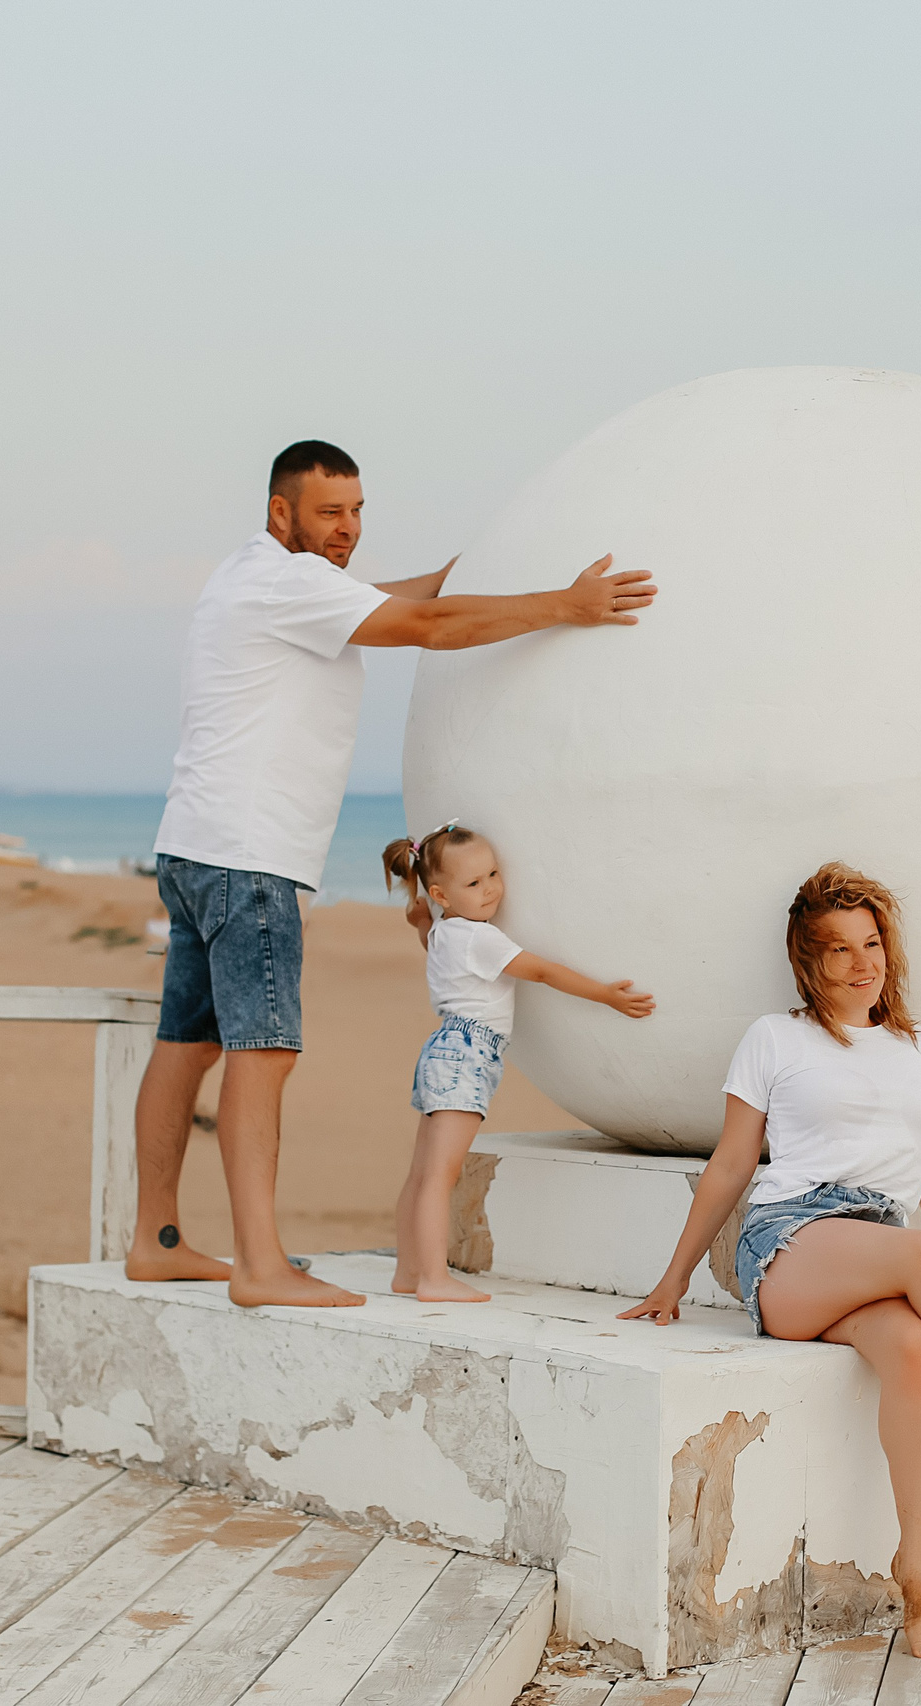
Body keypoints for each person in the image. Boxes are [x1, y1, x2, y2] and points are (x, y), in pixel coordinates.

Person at [130, 439, 657, 1310]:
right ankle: (262, 1268)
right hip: (249, 859)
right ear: (279, 513)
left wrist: (469, 569)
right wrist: (565, 605)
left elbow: (409, 597)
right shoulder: (287, 582)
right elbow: (431, 630)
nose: (348, 529)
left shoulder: (256, 578)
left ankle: (156, 1241)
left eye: (358, 512)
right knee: (264, 1053)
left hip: (195, 847)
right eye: (329, 513)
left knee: (185, 1048)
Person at [620, 863, 921, 1660]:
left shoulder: (915, 1045)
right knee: (920, 1254)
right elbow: (733, 1164)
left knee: (911, 1348)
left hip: (878, 1242)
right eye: (839, 950)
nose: (861, 962)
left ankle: (919, 1567)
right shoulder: (777, 1037)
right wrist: (672, 1281)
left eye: (871, 943)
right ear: (810, 961)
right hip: (791, 1241)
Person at [378, 820, 657, 1302]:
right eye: (473, 883)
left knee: (423, 1171)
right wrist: (604, 995)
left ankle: (409, 1272)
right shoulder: (479, 938)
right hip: (468, 1054)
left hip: (444, 1050)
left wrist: (421, 920)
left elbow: (430, 943)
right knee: (441, 1175)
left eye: (492, 874)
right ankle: (432, 1279)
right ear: (443, 894)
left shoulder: (445, 931)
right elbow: (543, 971)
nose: (489, 890)